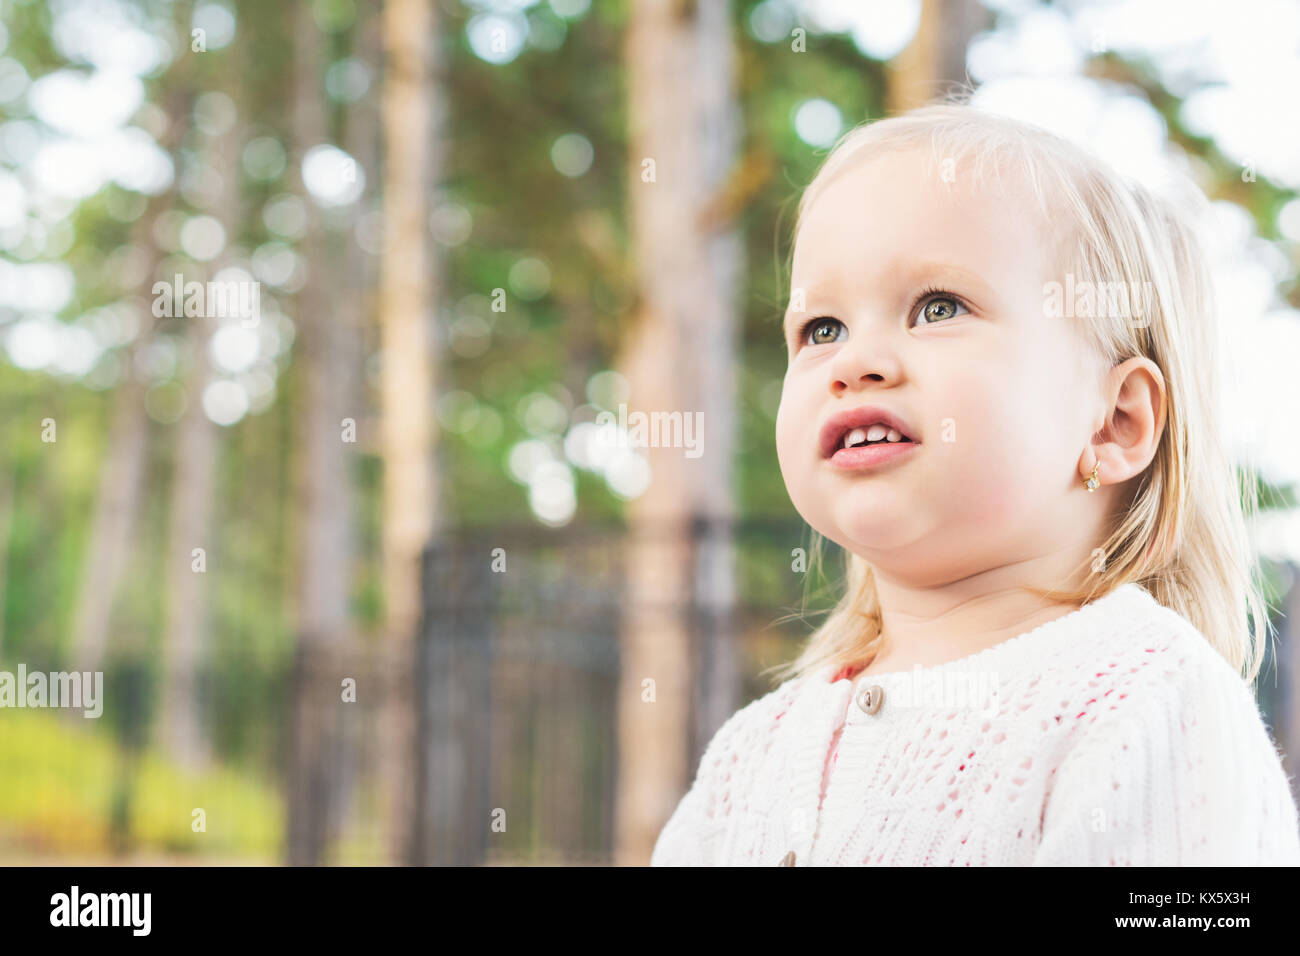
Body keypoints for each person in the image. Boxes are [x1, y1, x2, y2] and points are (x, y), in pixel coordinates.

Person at [650, 100, 1300, 866]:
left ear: (1116, 422)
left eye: (937, 307)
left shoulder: (1149, 707)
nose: (856, 362)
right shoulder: (749, 755)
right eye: (822, 328)